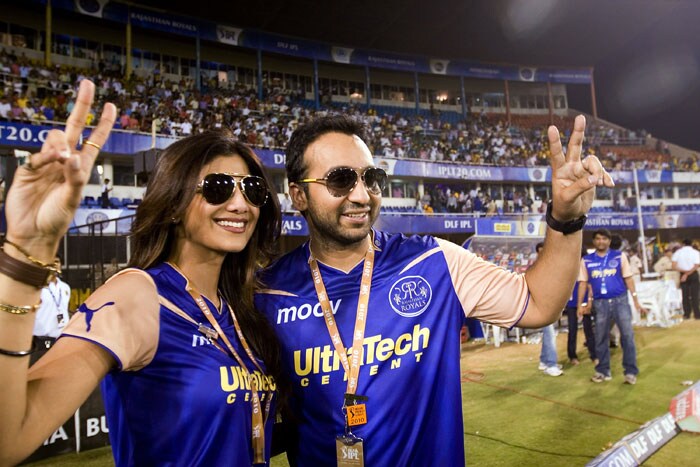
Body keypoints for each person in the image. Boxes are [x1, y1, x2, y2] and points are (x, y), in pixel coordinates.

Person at [255, 114, 613, 465]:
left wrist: (565, 220)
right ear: (298, 196)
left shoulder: (435, 261)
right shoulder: (267, 294)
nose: (362, 195)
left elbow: (539, 304)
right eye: (341, 180)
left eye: (372, 178)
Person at [0, 80, 284, 466]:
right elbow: (8, 439)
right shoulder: (138, 293)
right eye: (218, 188)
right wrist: (24, 256)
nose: (240, 204)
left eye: (252, 190)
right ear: (172, 204)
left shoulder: (239, 310)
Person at [578, 228, 644, 385]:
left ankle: (630, 372)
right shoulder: (586, 260)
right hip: (600, 304)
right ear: (594, 241)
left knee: (627, 336)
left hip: (620, 301)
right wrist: (581, 304)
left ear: (609, 241)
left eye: (604, 239)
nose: (601, 241)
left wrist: (635, 300)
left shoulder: (620, 256)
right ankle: (602, 371)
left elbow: (628, 279)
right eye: (598, 239)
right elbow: (583, 283)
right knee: (600, 338)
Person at [535, 242, 563, 376]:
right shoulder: (534, 269)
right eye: (540, 252)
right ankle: (551, 364)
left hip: (550, 306)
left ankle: (544, 361)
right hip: (540, 308)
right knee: (550, 334)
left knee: (548, 334)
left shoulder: (550, 267)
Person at [565, 248, 596, 366]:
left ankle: (594, 354)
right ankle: (572, 356)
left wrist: (589, 302)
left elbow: (590, 287)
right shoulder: (568, 269)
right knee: (572, 330)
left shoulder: (587, 268)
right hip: (572, 304)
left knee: (589, 330)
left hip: (584, 304)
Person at [31, 271, 71, 362]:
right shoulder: (37, 288)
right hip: (38, 339)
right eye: (54, 261)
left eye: (58, 262)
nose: (56, 266)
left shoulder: (65, 287)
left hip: (60, 340)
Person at [672, 238, 700, 320]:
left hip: (682, 274)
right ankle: (697, 314)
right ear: (691, 244)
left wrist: (684, 273)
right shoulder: (696, 252)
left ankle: (686, 314)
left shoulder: (678, 253)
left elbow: (673, 266)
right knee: (695, 295)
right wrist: (688, 273)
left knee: (685, 295)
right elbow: (697, 265)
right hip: (693, 274)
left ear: (683, 244)